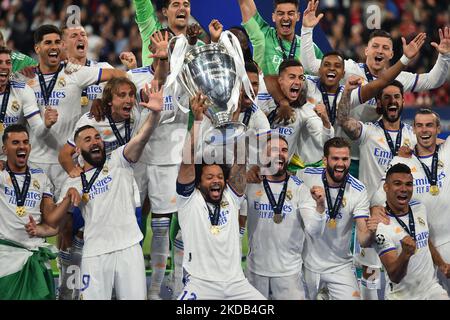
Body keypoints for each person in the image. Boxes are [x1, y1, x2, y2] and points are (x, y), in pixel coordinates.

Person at [301, 0, 450, 180]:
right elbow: (309, 65)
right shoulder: (349, 70)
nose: (380, 51)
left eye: (385, 48)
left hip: (374, 156)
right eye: (375, 46)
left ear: (391, 55)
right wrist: (307, 29)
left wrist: (444, 56)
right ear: (366, 51)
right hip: (342, 152)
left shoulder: (399, 78)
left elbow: (433, 80)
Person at [58, 83, 163, 300]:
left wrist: (154, 114)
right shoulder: (75, 181)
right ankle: (66, 289)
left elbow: (141, 138)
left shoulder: (118, 159)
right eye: (88, 140)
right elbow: (55, 222)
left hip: (128, 243)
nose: (96, 141)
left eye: (98, 138)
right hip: (94, 252)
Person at [175, 92, 265, 300]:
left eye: (219, 177)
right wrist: (197, 122)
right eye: (209, 177)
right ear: (198, 182)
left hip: (237, 284)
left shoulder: (231, 198)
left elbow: (240, 162)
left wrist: (236, 119)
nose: (216, 180)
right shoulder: (189, 199)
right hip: (200, 282)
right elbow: (187, 161)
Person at [337, 79, 417, 299]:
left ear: (403, 101)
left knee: (402, 277)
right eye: (387, 97)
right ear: (379, 104)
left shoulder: (412, 136)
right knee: (370, 281)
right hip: (372, 219)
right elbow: (343, 119)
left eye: (397, 97)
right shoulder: (368, 132)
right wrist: (348, 92)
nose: (392, 101)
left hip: (401, 218)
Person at [371, 108, 450, 294]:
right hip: (420, 247)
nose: (424, 130)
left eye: (430, 125)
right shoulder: (402, 160)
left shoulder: (447, 151)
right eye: (420, 126)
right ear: (412, 129)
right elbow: (380, 193)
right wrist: (375, 209)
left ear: (438, 129)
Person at [0, 124, 79, 300]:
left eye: (25, 142)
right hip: (5, 259)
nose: (21, 146)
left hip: (35, 258)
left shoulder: (40, 176)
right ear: (5, 149)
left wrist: (67, 199)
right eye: (15, 143)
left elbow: (51, 220)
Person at [245, 134, 326, 299]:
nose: (280, 153)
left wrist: (320, 207)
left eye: (284, 150)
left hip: (288, 275)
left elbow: (314, 232)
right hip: (255, 272)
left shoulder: (301, 189)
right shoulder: (250, 184)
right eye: (274, 150)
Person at [297, 137, 379, 299]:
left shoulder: (358, 189)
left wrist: (371, 231)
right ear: (325, 160)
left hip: (339, 266)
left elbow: (363, 239)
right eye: (335, 158)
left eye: (345, 159)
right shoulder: (305, 175)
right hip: (305, 265)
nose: (340, 163)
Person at [237, 0, 324, 123]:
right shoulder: (263, 34)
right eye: (281, 13)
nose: (285, 17)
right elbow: (244, 3)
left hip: (297, 117)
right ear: (273, 16)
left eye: (290, 13)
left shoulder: (308, 48)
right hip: (262, 111)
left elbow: (324, 77)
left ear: (298, 16)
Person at [374, 163, 449, 300]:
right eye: (397, 183)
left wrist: (441, 264)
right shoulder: (381, 226)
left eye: (408, 184)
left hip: (431, 289)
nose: (404, 189)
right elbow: (394, 276)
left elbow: (425, 240)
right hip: (401, 296)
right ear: (386, 187)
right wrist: (405, 254)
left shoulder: (419, 208)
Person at [268, 59, 333, 162]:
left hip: (277, 170)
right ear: (280, 80)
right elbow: (267, 79)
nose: (297, 82)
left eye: (301, 78)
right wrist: (283, 102)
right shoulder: (264, 97)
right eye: (292, 77)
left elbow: (324, 142)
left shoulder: (305, 110)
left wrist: (325, 121)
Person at [0, 46, 58, 160]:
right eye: (0, 62)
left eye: (8, 62)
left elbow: (39, 132)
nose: (4, 66)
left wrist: (46, 125)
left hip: (14, 161)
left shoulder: (23, 90)